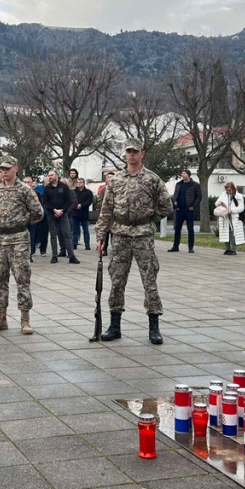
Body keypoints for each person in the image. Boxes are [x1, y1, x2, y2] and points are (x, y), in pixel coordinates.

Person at [96, 142, 174, 344]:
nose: (131, 155)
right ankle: (114, 326)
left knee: (149, 281)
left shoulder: (152, 178)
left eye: (135, 152)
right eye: (128, 152)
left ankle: (154, 327)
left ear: (142, 154)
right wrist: (101, 235)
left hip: (143, 236)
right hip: (120, 235)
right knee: (116, 281)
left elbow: (166, 206)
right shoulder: (116, 179)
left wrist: (148, 219)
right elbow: (107, 209)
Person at [0, 156, 44, 334]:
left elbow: (38, 213)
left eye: (8, 168)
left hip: (18, 239)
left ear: (16, 168)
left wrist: (21, 222)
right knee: (0, 280)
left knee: (22, 279)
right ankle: (1, 318)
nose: (4, 171)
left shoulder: (25, 190)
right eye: (2, 168)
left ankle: (25, 320)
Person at [43, 170, 78, 264]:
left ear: (57, 175)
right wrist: (54, 210)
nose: (50, 176)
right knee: (53, 235)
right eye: (48, 175)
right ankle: (54, 255)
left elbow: (69, 200)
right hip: (52, 214)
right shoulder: (47, 188)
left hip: (63, 214)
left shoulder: (64, 187)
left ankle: (71, 255)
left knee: (67, 235)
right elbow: (45, 203)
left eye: (52, 175)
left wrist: (62, 210)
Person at [170, 170, 203, 253]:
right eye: (182, 173)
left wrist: (193, 206)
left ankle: (190, 247)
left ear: (188, 175)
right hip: (179, 210)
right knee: (177, 228)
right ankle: (175, 246)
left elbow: (199, 197)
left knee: (190, 229)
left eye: (184, 173)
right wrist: (174, 205)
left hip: (189, 210)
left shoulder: (195, 185)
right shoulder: (178, 185)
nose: (183, 175)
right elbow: (175, 196)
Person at [215, 182, 245, 255]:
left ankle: (233, 249)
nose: (228, 192)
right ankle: (227, 248)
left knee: (233, 233)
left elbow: (241, 208)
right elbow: (216, 203)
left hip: (234, 217)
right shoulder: (223, 194)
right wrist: (219, 203)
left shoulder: (238, 196)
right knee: (225, 233)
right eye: (227, 190)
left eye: (230, 190)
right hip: (225, 216)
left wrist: (232, 210)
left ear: (233, 189)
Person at [71, 178, 93, 251]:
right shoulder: (73, 192)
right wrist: (76, 205)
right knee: (74, 230)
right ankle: (74, 244)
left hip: (84, 213)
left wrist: (82, 205)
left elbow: (89, 201)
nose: (79, 184)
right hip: (75, 213)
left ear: (83, 183)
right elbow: (71, 200)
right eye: (77, 182)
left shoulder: (88, 192)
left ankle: (87, 244)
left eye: (80, 182)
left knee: (85, 230)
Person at [96, 171, 115, 256]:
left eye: (111, 177)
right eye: (108, 177)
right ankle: (104, 248)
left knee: (114, 233)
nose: (109, 178)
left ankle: (115, 249)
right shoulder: (103, 189)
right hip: (106, 214)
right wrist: (104, 205)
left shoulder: (118, 189)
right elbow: (99, 200)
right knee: (105, 233)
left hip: (115, 215)